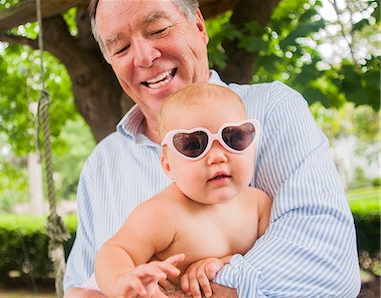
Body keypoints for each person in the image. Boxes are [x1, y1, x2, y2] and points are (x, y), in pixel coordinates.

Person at [64, 0, 361, 297]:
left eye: (158, 29)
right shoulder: (101, 165)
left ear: (199, 26)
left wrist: (218, 272)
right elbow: (81, 285)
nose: (143, 56)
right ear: (166, 163)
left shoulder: (272, 110)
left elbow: (326, 263)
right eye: (121, 48)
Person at [93, 83, 272, 298]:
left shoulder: (260, 205)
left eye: (233, 138)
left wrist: (227, 264)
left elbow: (274, 258)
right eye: (193, 145)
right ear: (168, 166)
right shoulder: (163, 213)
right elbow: (114, 251)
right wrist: (122, 281)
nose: (217, 157)